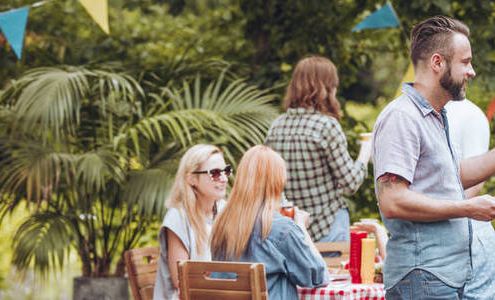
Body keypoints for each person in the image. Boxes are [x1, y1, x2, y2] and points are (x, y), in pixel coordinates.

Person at [373, 16, 495, 299]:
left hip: (442, 277)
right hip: (422, 277)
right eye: (465, 62)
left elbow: (454, 176)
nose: (472, 71)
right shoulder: (402, 117)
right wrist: (468, 208)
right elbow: (393, 201)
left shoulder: (436, 116)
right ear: (437, 63)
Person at [265, 56, 373, 246]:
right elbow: (351, 183)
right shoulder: (326, 126)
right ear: (326, 88)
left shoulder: (276, 127)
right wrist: (366, 151)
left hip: (291, 232)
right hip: (328, 229)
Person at [210, 145, 328, 299]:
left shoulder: (222, 224)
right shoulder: (282, 229)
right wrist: (301, 227)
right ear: (277, 182)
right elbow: (318, 277)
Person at [154, 144, 230, 299]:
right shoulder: (178, 217)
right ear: (192, 179)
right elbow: (182, 282)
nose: (224, 178)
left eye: (226, 171)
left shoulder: (224, 210)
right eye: (214, 173)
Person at [445, 98, 495, 299]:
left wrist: (439, 213)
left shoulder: (469, 114)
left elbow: (476, 183)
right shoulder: (415, 114)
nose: (471, 72)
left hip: (470, 240)